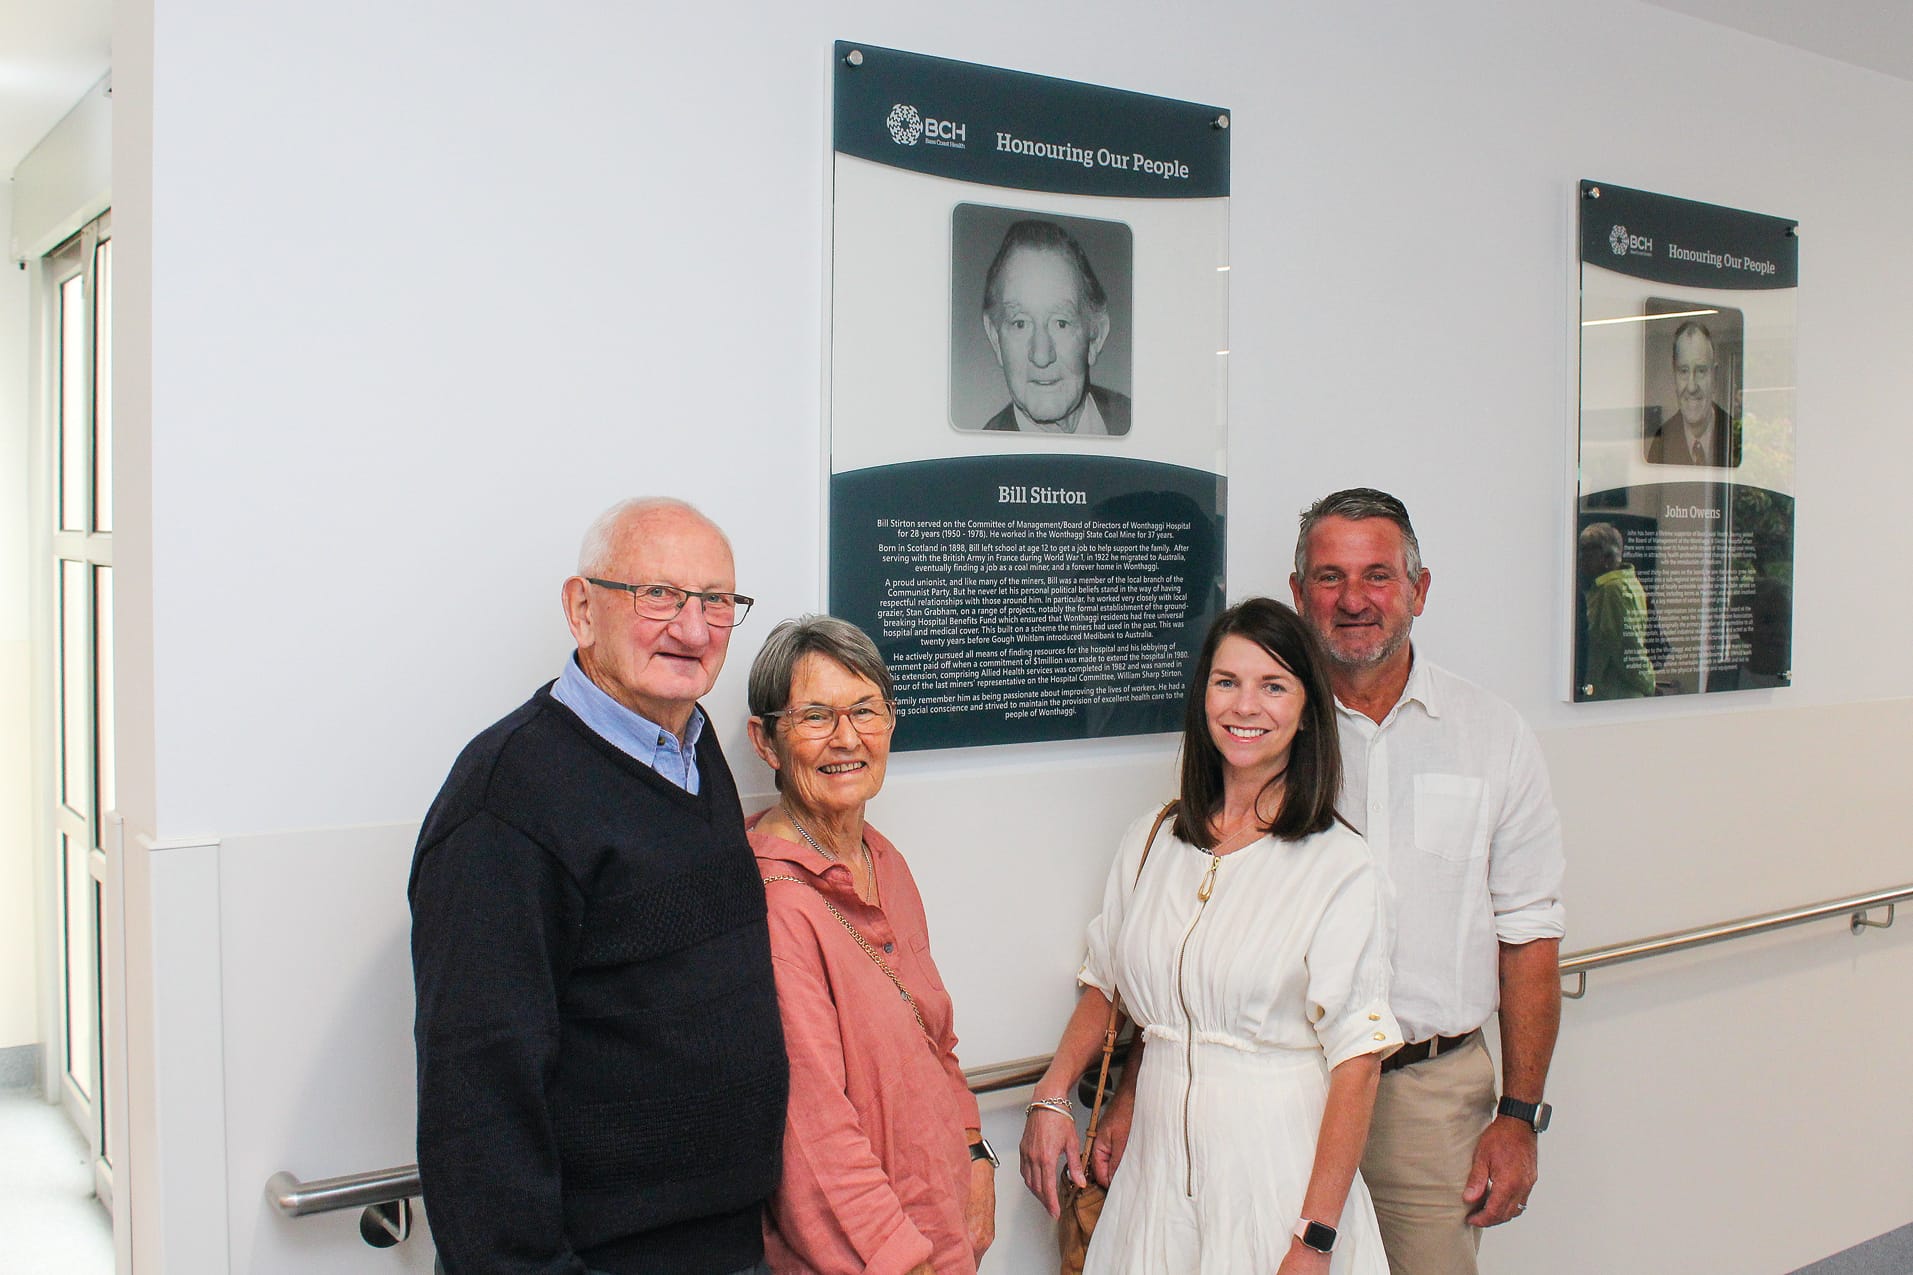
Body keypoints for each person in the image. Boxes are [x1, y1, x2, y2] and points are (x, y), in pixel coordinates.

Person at [410, 497, 787, 1275]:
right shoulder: (504, 804)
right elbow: (476, 1095)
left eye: (716, 601)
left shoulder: (691, 746)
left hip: (726, 1243)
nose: (692, 629)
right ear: (582, 608)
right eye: (658, 595)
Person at [1019, 597, 1402, 1274]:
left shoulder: (1339, 863)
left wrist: (1313, 1239)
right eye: (1227, 682)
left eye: (1272, 685)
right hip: (1153, 1187)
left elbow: (1357, 1063)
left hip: (1275, 1183)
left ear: (1308, 707)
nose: (1244, 705)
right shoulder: (1151, 840)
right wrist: (1051, 1094)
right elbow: (1107, 982)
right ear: (1202, 696)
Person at [1288, 488, 1565, 1275]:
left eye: (1377, 575)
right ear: (1297, 593)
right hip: (1284, 1085)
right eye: (1329, 576)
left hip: (1428, 1097)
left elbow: (1529, 928)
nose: (1353, 600)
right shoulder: (1261, 728)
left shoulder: (1491, 734)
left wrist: (1519, 1114)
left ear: (1418, 588)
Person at [743, 616, 995, 1274]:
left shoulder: (882, 859)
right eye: (816, 716)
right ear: (765, 741)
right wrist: (903, 1261)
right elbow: (812, 1138)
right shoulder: (773, 905)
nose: (847, 737)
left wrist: (973, 1158)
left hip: (938, 1231)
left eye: (864, 710)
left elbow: (933, 1036)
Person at [979, 219, 1132, 436]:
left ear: (1095, 337)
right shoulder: (973, 460)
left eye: (1061, 323)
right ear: (995, 338)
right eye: (1020, 323)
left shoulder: (1146, 424)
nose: (1041, 356)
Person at [1646, 321, 1740, 466]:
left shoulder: (1734, 434)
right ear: (1674, 375)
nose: (1691, 387)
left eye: (1701, 371)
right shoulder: (1662, 441)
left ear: (1714, 375)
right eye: (1683, 371)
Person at [1577, 522, 1654, 699]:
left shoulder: (1611, 590)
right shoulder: (1629, 582)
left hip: (1613, 694)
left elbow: (1626, 646)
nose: (1582, 560)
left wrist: (1648, 684)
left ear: (1607, 558)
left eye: (1588, 554)